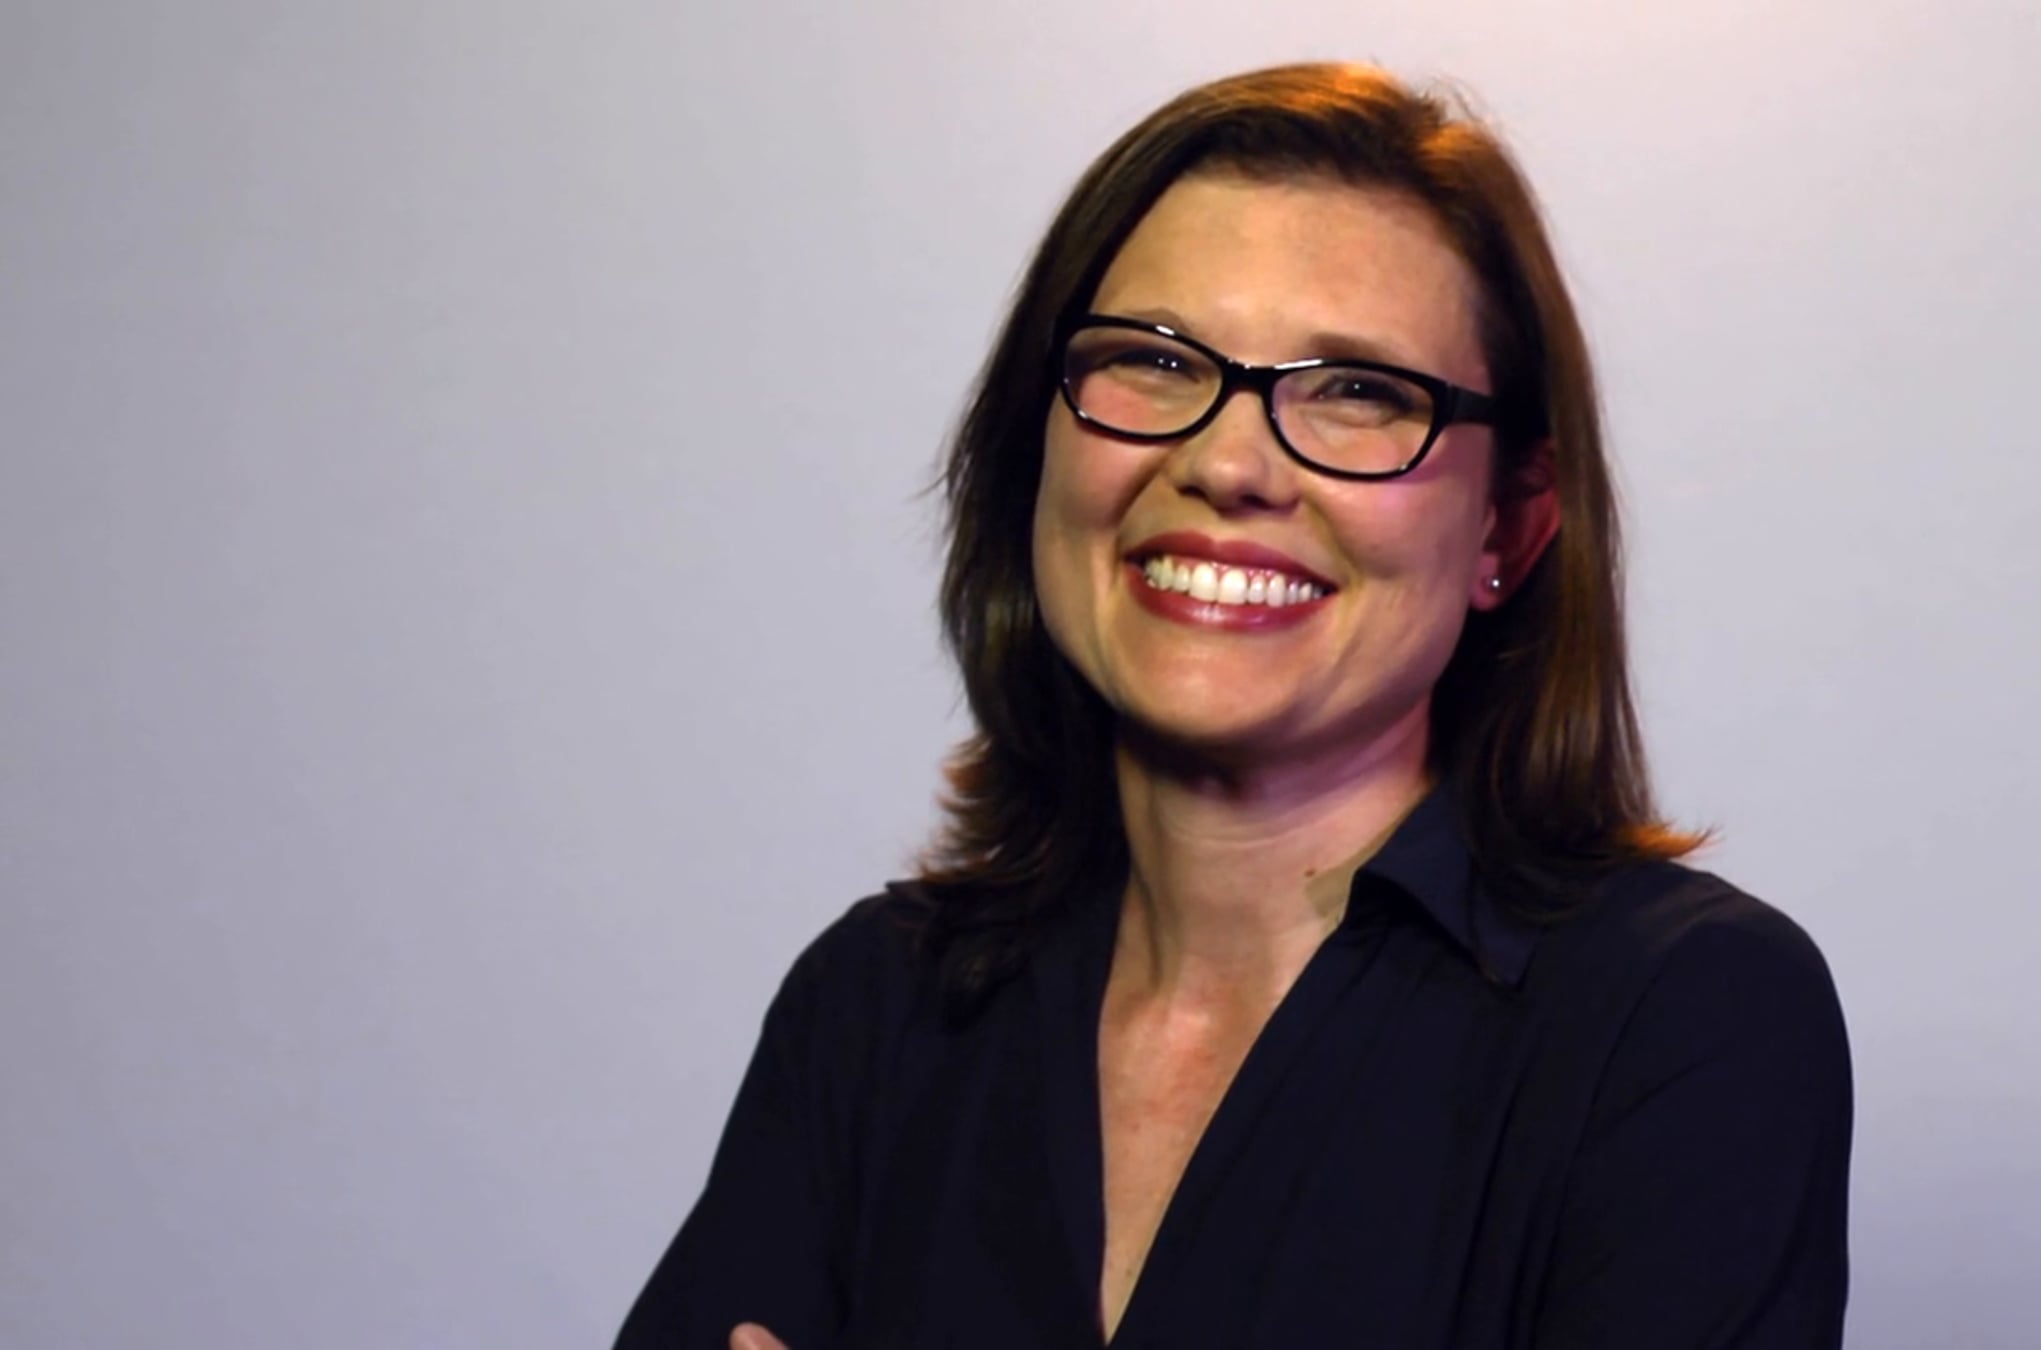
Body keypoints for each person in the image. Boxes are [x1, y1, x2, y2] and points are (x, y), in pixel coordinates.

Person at [615, 61, 1851, 1349]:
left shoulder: (1679, 1015)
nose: (1226, 463)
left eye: (1360, 392)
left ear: (1509, 523)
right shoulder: (877, 1005)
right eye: (1153, 361)